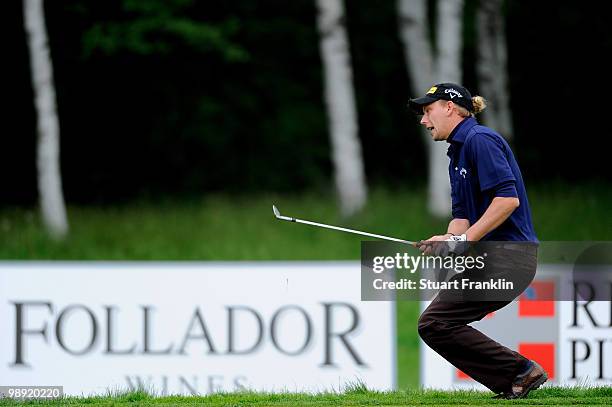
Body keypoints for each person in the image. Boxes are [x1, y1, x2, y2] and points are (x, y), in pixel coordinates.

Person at [408, 83, 547, 399]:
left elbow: (506, 201)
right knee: (435, 325)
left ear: (449, 107)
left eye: (428, 111)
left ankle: (520, 372)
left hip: (510, 258)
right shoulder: (457, 151)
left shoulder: (479, 140)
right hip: (495, 258)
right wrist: (446, 240)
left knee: (435, 324)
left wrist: (463, 241)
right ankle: (516, 380)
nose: (423, 120)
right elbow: (462, 221)